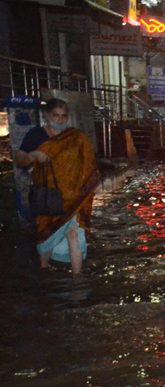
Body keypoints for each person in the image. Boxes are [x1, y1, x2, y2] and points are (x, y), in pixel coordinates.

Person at [15, 98, 99, 275]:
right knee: (48, 231)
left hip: (73, 196)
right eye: (56, 116)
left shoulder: (76, 137)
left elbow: (88, 163)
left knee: (74, 231)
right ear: (47, 116)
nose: (60, 120)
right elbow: (20, 161)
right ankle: (44, 269)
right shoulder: (36, 135)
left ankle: (77, 275)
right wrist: (33, 156)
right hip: (48, 195)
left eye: (64, 116)